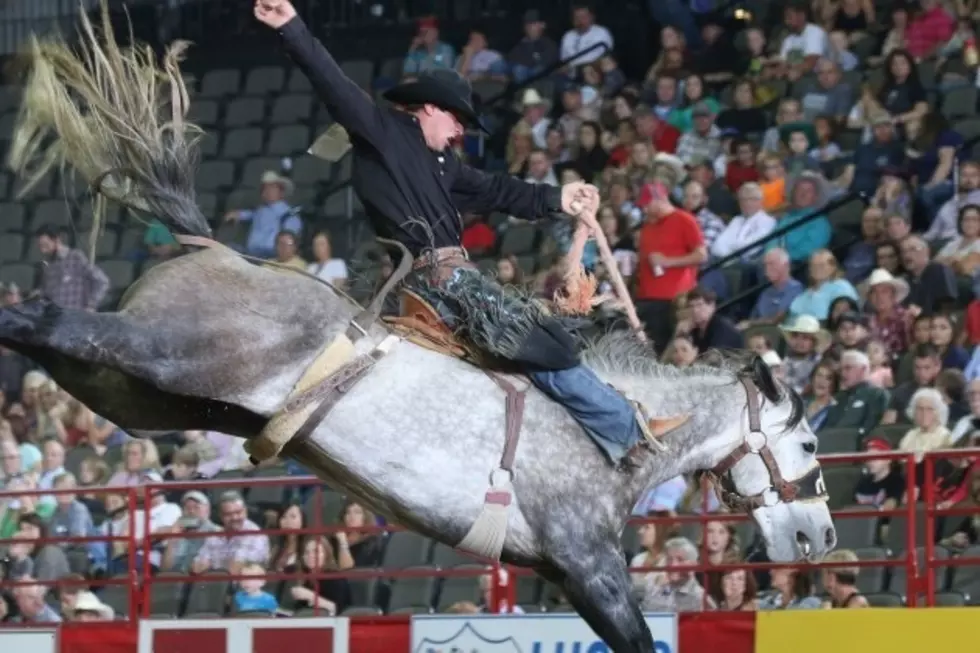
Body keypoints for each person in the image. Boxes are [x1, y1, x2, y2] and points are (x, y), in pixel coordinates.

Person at [257, 0, 670, 469]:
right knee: (533, 333)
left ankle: (605, 432)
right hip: (438, 279)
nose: (459, 132)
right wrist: (291, 26)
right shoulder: (384, 131)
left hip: (448, 276)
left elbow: (495, 189)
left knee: (538, 342)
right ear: (430, 107)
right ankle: (625, 428)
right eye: (456, 120)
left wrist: (559, 198)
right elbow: (331, 81)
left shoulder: (442, 164)